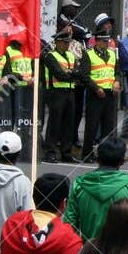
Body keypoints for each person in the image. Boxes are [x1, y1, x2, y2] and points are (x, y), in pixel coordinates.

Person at [63, 135, 128, 246]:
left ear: (97, 159)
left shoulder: (79, 185)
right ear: (123, 161)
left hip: (89, 251)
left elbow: (69, 225)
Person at [40, 28, 80, 162]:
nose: (67, 45)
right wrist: (71, 73)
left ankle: (66, 153)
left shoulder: (71, 55)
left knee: (69, 123)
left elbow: (78, 72)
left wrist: (70, 73)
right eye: (65, 42)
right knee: (55, 123)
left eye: (68, 42)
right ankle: (50, 152)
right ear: (57, 42)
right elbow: (59, 74)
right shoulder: (50, 56)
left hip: (70, 91)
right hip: (56, 92)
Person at [80, 28, 120, 159]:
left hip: (110, 94)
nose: (107, 43)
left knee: (108, 127)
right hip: (95, 94)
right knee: (92, 126)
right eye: (104, 41)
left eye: (107, 41)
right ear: (97, 41)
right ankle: (87, 154)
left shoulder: (112, 54)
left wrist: (117, 81)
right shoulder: (89, 54)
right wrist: (96, 88)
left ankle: (106, 155)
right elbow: (84, 75)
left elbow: (117, 71)